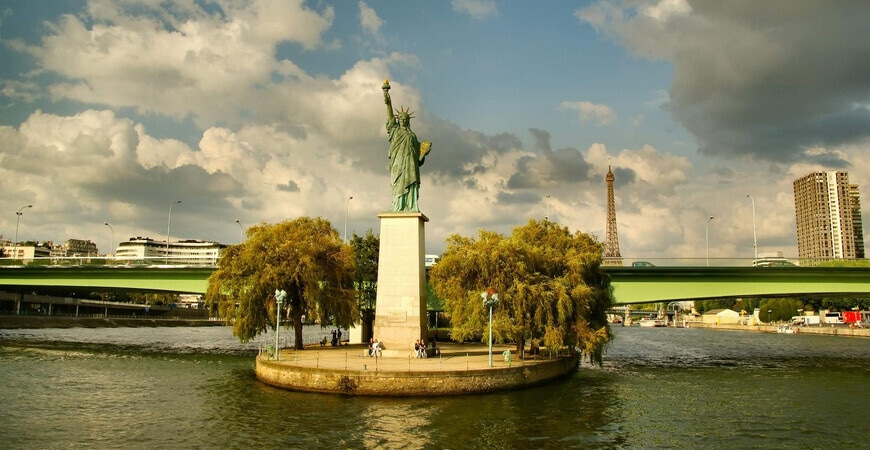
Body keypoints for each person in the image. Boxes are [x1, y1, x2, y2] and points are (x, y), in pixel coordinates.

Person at [382, 79, 432, 212]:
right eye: (401, 118)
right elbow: (390, 115)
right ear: (398, 120)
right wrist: (387, 97)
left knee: (411, 184)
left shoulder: (413, 136)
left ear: (408, 121)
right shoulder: (395, 130)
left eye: (405, 119)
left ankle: (410, 205)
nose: (403, 120)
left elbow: (418, 158)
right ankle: (398, 206)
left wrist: (424, 152)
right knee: (398, 185)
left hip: (410, 165)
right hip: (398, 165)